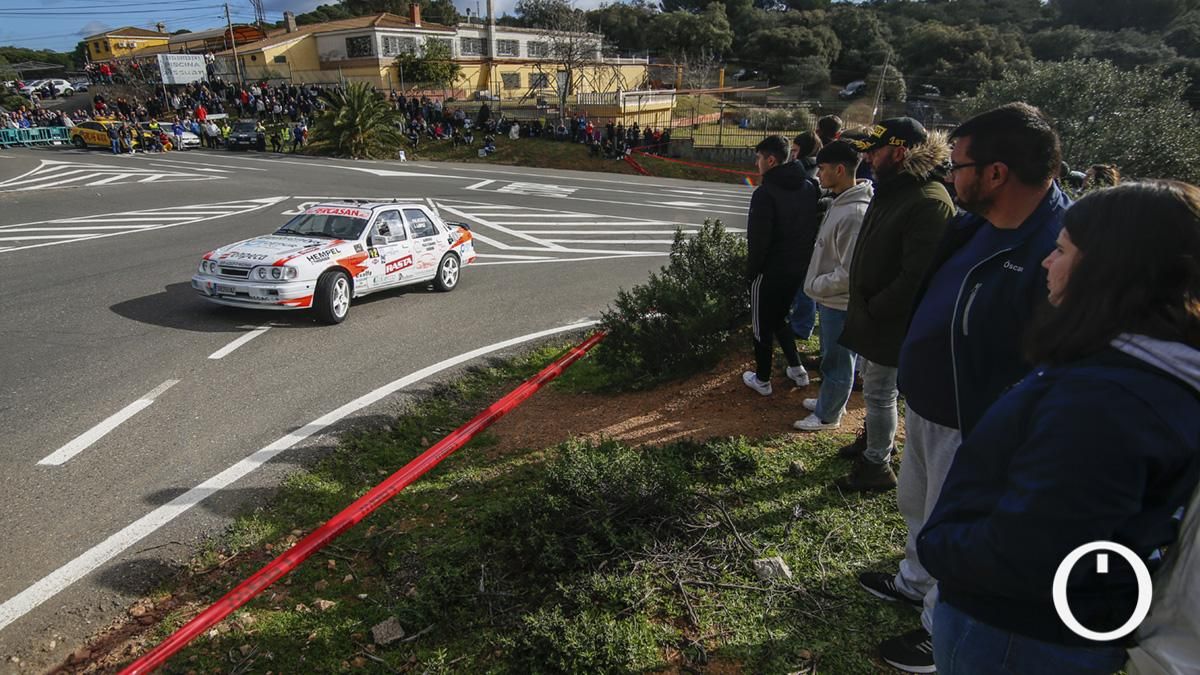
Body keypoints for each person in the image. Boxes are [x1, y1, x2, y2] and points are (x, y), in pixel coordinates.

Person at [918, 180, 1200, 675]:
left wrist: (942, 548)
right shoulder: (1143, 373)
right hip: (1051, 623)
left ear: (1110, 273)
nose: (1048, 263)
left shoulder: (1107, 403)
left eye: (1062, 250)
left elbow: (1033, 550)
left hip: (1015, 632)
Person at [863, 103, 1071, 673]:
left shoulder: (1056, 248)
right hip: (930, 401)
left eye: (957, 164)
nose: (948, 174)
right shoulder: (976, 222)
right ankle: (912, 582)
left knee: (955, 526)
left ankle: (937, 626)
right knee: (918, 508)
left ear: (996, 173)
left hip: (978, 422)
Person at [836, 118, 954, 489]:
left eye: (876, 150)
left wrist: (875, 308)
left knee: (880, 392)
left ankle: (877, 465)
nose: (869, 157)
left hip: (892, 322)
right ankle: (875, 441)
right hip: (877, 316)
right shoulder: (897, 190)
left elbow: (915, 278)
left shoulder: (928, 201)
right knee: (876, 391)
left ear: (900, 152)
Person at [793, 140, 873, 431]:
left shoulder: (854, 214)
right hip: (829, 299)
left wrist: (815, 283)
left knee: (839, 361)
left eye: (823, 169)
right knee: (831, 357)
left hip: (839, 301)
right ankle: (828, 400)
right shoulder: (842, 202)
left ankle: (828, 415)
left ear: (840, 170)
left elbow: (850, 272)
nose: (818, 175)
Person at [741, 136, 821, 396]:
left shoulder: (765, 194)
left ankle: (762, 379)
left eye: (759, 158)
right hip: (798, 267)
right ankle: (797, 370)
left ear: (771, 159)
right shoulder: (809, 187)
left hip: (770, 270)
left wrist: (751, 273)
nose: (757, 163)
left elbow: (758, 240)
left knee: (762, 324)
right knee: (779, 318)